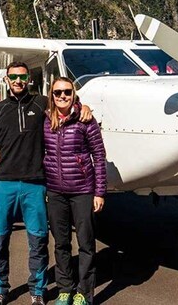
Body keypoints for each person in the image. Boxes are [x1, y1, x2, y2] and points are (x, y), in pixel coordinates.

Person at [0, 62, 92, 305]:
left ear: (28, 78)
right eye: (13, 77)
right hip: (5, 182)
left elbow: (65, 103)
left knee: (38, 240)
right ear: (6, 80)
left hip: (36, 184)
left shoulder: (41, 103)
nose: (18, 81)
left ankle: (38, 290)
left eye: (22, 76)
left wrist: (85, 107)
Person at [43, 77, 106, 305]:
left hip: (82, 190)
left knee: (86, 243)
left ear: (74, 94)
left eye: (67, 92)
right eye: (58, 92)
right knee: (61, 243)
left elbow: (99, 157)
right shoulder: (46, 119)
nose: (62, 96)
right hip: (56, 192)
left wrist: (99, 192)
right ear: (52, 95)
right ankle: (65, 289)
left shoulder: (85, 119)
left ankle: (84, 292)